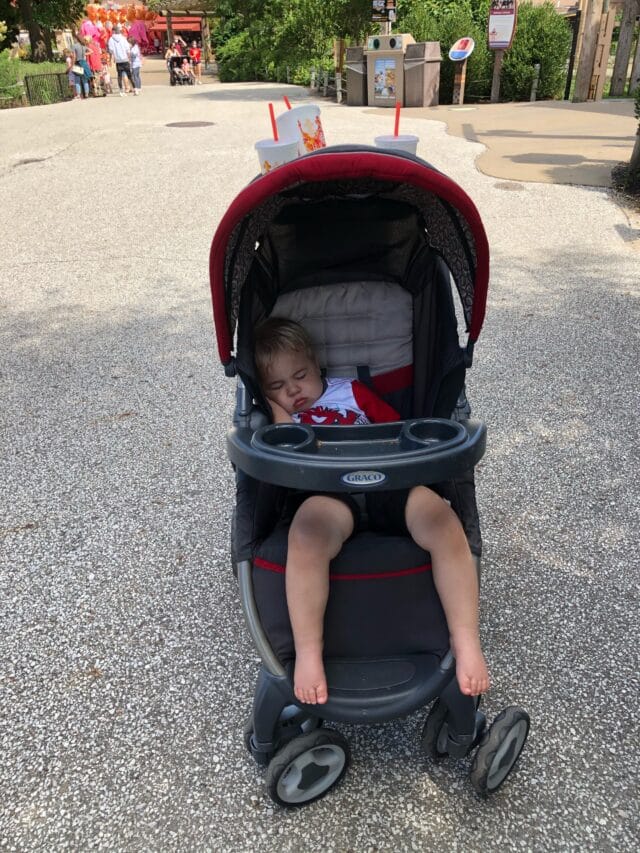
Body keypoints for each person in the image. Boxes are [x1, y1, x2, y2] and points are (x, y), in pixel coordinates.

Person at [254, 318, 490, 705]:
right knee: (307, 536)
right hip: (326, 493)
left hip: (388, 482)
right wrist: (275, 411)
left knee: (443, 522)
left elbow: (398, 431)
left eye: (300, 376)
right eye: (277, 386)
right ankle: (309, 652)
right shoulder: (284, 421)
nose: (293, 390)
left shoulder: (351, 392)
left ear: (318, 366)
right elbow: (278, 452)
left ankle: (465, 641)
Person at [108, 23, 136, 96]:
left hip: (118, 60)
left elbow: (110, 50)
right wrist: (129, 58)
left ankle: (121, 91)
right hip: (125, 59)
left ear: (113, 31)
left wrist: (112, 57)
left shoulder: (111, 39)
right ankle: (135, 89)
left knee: (119, 76)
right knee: (129, 75)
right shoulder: (123, 38)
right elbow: (127, 49)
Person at [71, 34, 90, 99]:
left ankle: (79, 94)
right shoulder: (84, 45)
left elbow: (74, 56)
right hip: (84, 63)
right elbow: (91, 51)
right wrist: (85, 54)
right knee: (85, 80)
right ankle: (87, 94)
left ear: (76, 39)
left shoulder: (74, 46)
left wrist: (72, 65)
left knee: (77, 80)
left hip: (78, 63)